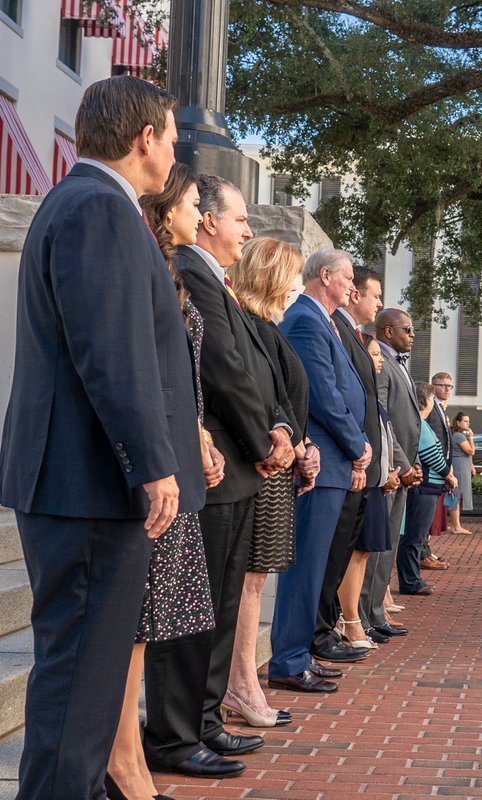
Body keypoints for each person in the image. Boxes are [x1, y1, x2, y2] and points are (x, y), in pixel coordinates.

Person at [0, 76, 205, 800]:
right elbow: (111, 353)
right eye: (173, 137)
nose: (176, 149)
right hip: (88, 486)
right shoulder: (98, 209)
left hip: (79, 482)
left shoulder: (85, 203)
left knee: (80, 689)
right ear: (144, 138)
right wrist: (154, 464)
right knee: (78, 692)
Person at [142, 175, 294, 780]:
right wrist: (263, 442)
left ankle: (203, 721)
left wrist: (278, 429)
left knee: (220, 608)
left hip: (237, 468)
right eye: (239, 220)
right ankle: (175, 735)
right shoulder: (195, 275)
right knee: (192, 611)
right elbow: (224, 371)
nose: (248, 232)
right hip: (219, 463)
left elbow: (257, 368)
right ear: (205, 219)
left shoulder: (214, 279)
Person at [104, 162, 225, 800]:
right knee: (132, 625)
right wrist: (163, 457)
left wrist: (199, 435)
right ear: (168, 206)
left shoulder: (171, 269)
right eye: (192, 202)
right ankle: (124, 759)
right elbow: (136, 368)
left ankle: (128, 756)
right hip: (152, 472)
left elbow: (180, 376)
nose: (200, 212)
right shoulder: (143, 258)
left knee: (146, 628)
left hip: (180, 456)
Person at [223, 237, 320, 728]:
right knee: (248, 582)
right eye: (292, 278)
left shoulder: (268, 328)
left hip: (278, 466)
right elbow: (254, 397)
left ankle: (241, 682)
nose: (297, 289)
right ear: (269, 277)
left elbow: (283, 399)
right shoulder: (254, 325)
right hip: (260, 467)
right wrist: (288, 445)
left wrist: (303, 444)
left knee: (256, 581)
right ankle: (240, 683)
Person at [267, 249, 370, 694]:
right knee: (305, 566)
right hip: (322, 460)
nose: (353, 286)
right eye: (348, 278)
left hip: (333, 462)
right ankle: (289, 660)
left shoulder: (324, 320)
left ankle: (300, 653)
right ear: (323, 275)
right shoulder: (307, 319)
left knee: (315, 566)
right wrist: (357, 443)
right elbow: (325, 395)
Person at [318, 266, 386, 653]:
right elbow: (334, 396)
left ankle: (329, 628)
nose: (379, 302)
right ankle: (326, 630)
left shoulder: (354, 334)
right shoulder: (337, 329)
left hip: (358, 464)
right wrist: (357, 452)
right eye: (374, 294)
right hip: (342, 462)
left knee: (346, 552)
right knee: (332, 556)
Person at [335, 334, 401, 649]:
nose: (379, 360)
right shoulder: (360, 393)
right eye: (374, 354)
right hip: (364, 478)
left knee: (364, 552)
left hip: (375, 478)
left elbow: (384, 438)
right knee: (355, 551)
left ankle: (357, 618)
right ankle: (349, 619)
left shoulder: (372, 395)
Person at [360, 309, 423, 639]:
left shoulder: (398, 363)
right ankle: (366, 617)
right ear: (387, 331)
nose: (412, 334)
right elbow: (382, 420)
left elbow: (409, 422)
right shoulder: (380, 364)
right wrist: (402, 463)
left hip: (403, 468)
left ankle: (376, 613)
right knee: (378, 548)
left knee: (389, 547)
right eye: (407, 329)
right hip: (391, 470)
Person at [397, 383, 459, 595]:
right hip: (424, 487)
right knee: (414, 536)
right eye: (433, 400)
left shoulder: (422, 424)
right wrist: (448, 474)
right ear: (425, 402)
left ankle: (412, 578)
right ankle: (410, 580)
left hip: (429, 487)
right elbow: (432, 455)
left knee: (417, 535)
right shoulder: (420, 425)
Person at [419, 372, 455, 572]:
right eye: (442, 385)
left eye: (450, 386)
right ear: (433, 387)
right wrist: (446, 471)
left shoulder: (441, 409)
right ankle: (422, 554)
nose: (446, 389)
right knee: (424, 520)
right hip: (430, 471)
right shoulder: (430, 410)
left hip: (440, 470)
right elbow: (432, 443)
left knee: (429, 518)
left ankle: (426, 550)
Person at [448, 412, 476, 534]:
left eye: (468, 421)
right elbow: (470, 451)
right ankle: (456, 526)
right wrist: (471, 437)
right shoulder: (459, 436)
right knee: (456, 495)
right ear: (458, 423)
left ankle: (455, 525)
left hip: (462, 466)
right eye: (465, 421)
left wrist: (471, 466)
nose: (468, 423)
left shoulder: (457, 435)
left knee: (456, 496)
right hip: (459, 467)